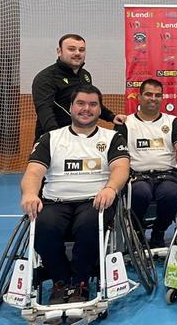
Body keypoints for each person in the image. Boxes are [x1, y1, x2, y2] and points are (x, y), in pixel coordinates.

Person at [20, 84, 130, 304]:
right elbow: (33, 172)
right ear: (70, 107)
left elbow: (121, 168)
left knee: (89, 224)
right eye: (80, 103)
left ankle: (80, 281)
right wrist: (30, 194)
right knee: (43, 226)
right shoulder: (50, 138)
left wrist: (110, 188)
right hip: (55, 201)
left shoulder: (112, 138)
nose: (86, 109)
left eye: (92, 104)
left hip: (95, 200)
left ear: (100, 110)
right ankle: (60, 281)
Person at [115, 78, 177, 248]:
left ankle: (159, 232)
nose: (153, 98)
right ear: (139, 97)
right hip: (137, 177)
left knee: (171, 193)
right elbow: (118, 153)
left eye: (158, 95)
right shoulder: (125, 123)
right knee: (140, 192)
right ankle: (138, 231)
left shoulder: (171, 121)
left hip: (166, 175)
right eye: (148, 94)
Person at [32, 34, 126, 140]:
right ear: (59, 51)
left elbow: (90, 103)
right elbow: (45, 112)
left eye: (81, 50)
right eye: (71, 49)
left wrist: (111, 117)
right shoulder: (46, 78)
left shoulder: (85, 75)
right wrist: (57, 138)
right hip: (54, 140)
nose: (77, 53)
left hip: (81, 137)